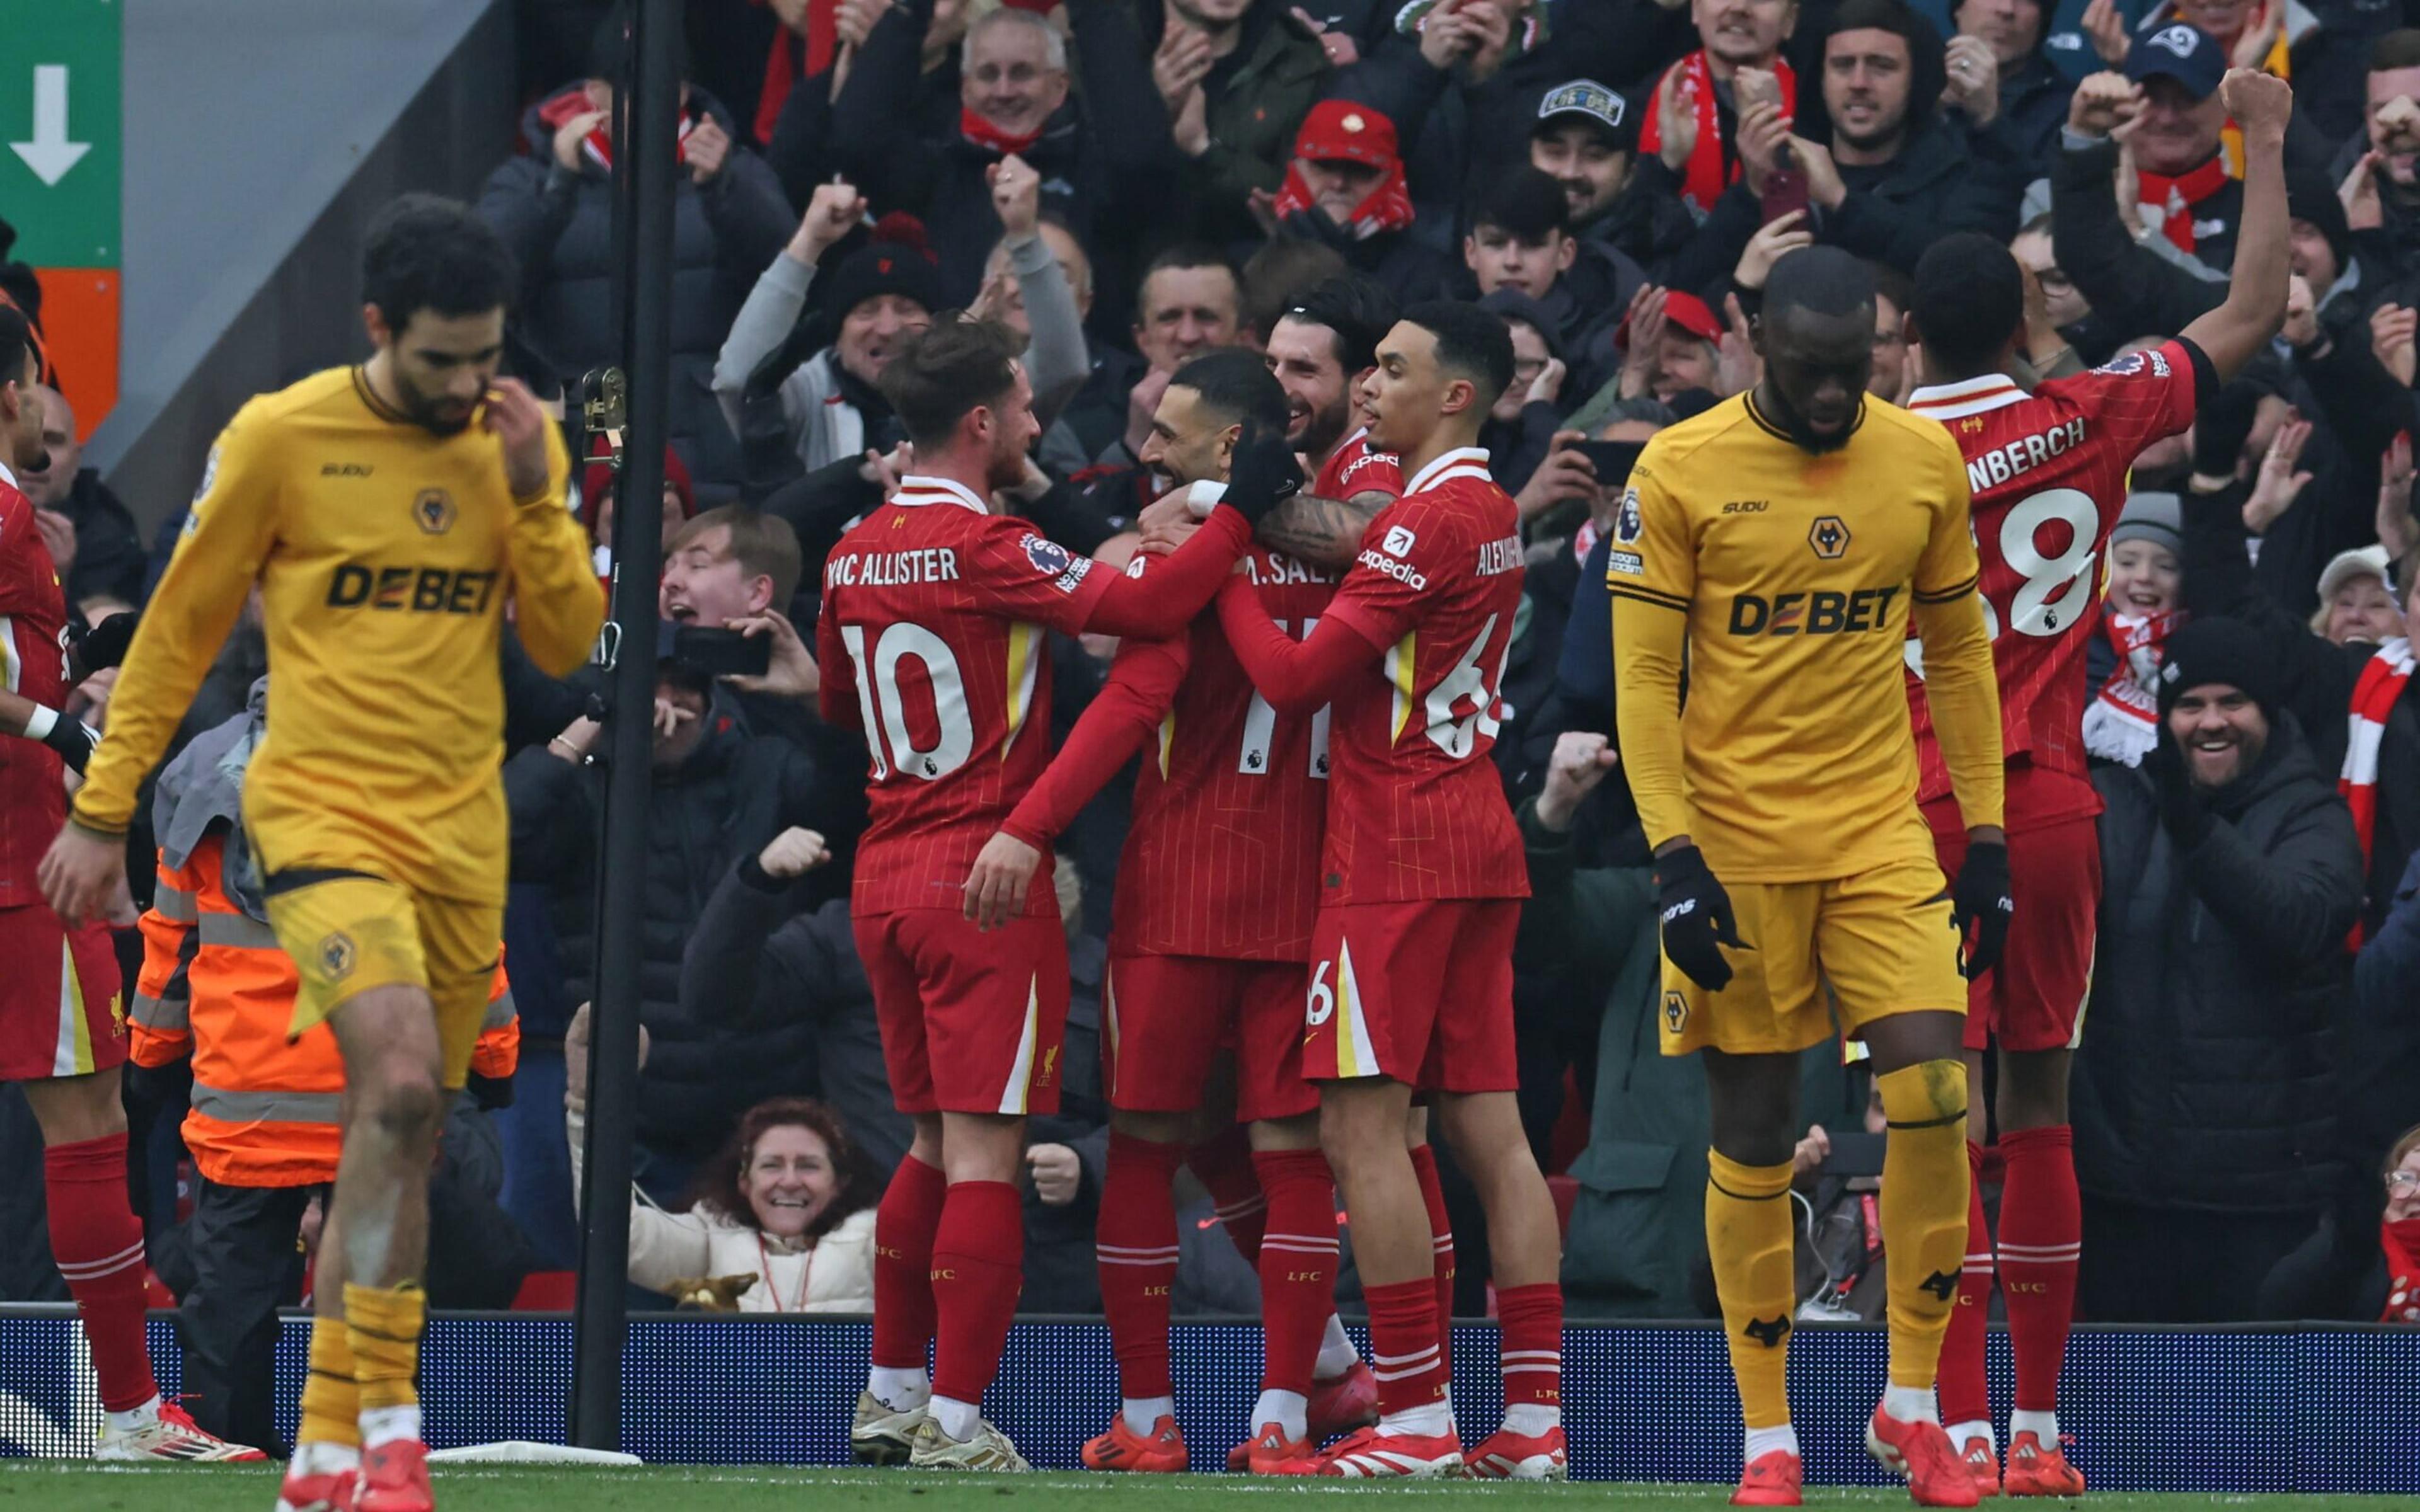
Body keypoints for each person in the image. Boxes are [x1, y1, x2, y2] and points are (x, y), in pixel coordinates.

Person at [38, 195, 604, 1512]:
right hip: (320, 817)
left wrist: (536, 498)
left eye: (487, 356)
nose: (470, 384)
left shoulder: (511, 444)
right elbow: (175, 635)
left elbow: (571, 642)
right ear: (373, 328)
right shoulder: (283, 441)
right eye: (442, 360)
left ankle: (334, 1446)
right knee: (402, 1085)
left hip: (462, 837)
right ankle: (383, 1424)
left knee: (396, 1128)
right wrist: (99, 812)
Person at [1898, 64, 2291, 1497]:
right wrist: (2261, 140)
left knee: (1924, 1119)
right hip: (2051, 799)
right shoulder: (2089, 408)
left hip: (1911, 810)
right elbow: (2245, 315)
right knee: (2037, 1105)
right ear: (2018, 318)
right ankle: (2039, 1429)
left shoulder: (1876, 457)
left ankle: (1937, 1416)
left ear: (1898, 339)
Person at [815, 316, 1303, 1471]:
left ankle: (891, 1393)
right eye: (1027, 406)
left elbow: (841, 709)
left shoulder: (849, 552)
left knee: (929, 1147)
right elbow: (1141, 614)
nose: (1040, 425)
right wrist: (1239, 509)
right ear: (981, 421)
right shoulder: (987, 544)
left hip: (882, 871)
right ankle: (957, 1422)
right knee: (985, 1153)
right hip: (981, 871)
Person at [1610, 244, 2010, 1509]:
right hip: (1731, 843)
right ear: (1749, 340)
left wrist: (1985, 838)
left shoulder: (1922, 460)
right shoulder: (1677, 469)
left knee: (1940, 1090)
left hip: (1878, 833)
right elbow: (1641, 684)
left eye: (1858, 369)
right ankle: (1769, 1439)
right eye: (1810, 371)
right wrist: (1672, 855)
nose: (1836, 397)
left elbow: (1957, 653)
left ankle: (1907, 1409)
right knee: (1758, 1136)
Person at [961, 350, 1386, 1474]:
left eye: (1171, 434)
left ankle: (1151, 1417)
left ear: (1234, 449)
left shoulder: (1188, 569)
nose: (1147, 451)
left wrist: (1030, 825)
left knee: (1146, 1156)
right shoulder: (1362, 554)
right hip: (1310, 897)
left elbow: (1130, 704)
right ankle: (1291, 1414)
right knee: (1292, 1162)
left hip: (1175, 896)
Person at [1213, 302, 1567, 1480]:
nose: (1368, 387)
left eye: (1392, 371)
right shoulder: (1492, 511)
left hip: (1397, 850)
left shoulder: (1428, 521)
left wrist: (1222, 571)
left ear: (1455, 397)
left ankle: (1414, 1423)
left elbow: (1303, 679)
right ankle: (1531, 1425)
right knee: (1494, 1135)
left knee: (1360, 1127)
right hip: (1476, 834)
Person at [125, 679, 521, 1455]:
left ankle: (222, 1446)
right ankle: (365, 1456)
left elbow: (171, 947)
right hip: (373, 1102)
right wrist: (494, 1061)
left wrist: (149, 1056)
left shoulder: (203, 774)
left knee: (231, 1305)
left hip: (247, 1104)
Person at [0, 311, 257, 1466]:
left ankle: (128, 1411)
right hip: (19, 863)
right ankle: (131, 1414)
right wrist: (61, 726)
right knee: (90, 1126)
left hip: (27, 853)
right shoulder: (5, 510)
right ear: (15, 385)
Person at [2072, 617, 2364, 1320]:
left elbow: (2295, 922)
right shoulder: (2113, 808)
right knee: (2120, 1419)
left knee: (2243, 1426)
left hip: (2261, 1204)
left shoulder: (2313, 815)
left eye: (2233, 702)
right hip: (2120, 1195)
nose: (2212, 722)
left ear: (2267, 711)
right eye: (2191, 704)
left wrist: (2191, 826)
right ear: (2164, 716)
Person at [475, 6, 794, 497]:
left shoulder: (733, 166)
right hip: (597, 412)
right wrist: (559, 188)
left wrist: (724, 189)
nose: (641, 99)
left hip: (710, 432)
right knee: (606, 539)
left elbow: (785, 270)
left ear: (684, 91)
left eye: (661, 81)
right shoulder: (531, 176)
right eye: (621, 84)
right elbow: (488, 282)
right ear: (591, 93)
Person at [565, 999, 879, 1314]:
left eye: (808, 1166)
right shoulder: (712, 1236)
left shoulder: (875, 1238)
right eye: (771, 1165)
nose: (790, 1181)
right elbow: (618, 1236)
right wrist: (592, 1104)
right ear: (744, 1182)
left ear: (840, 1182)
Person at [713, 183, 941, 489]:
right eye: (867, 311)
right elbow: (740, 381)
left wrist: (1026, 248)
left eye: (907, 309)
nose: (888, 328)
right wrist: (810, 240)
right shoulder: (809, 392)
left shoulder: (967, 398)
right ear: (837, 334)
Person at [21, 384, 147, 612]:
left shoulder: (110, 538)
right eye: (23, 437)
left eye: (52, 441)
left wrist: (57, 579)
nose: (36, 456)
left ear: (76, 460)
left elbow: (104, 639)